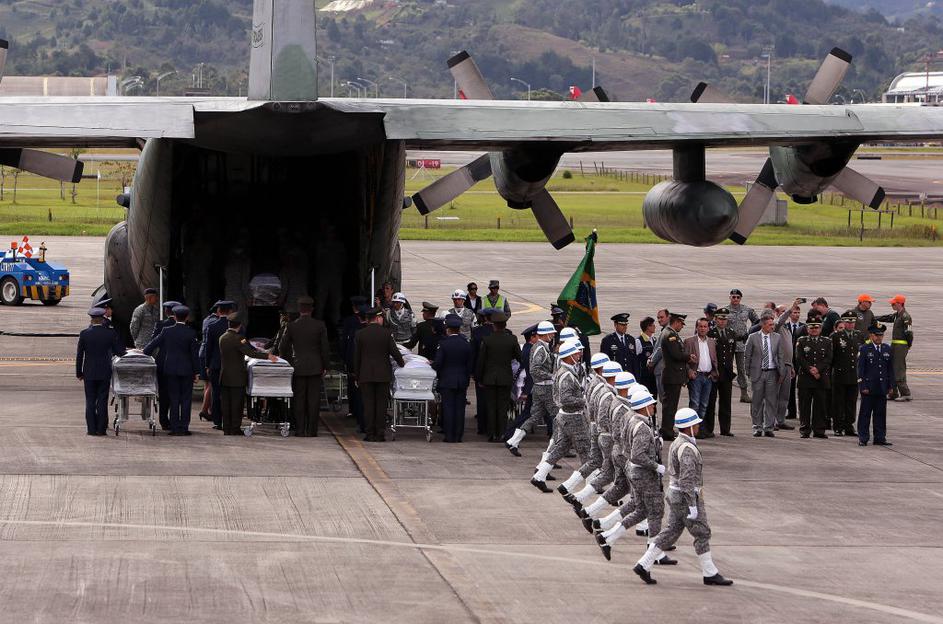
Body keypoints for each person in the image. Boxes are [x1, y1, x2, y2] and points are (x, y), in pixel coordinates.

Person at [633, 408, 733, 587]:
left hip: (676, 495)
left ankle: (643, 564)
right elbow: (687, 480)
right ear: (689, 427)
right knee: (702, 533)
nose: (698, 427)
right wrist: (692, 505)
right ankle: (710, 573)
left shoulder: (678, 442)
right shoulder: (687, 448)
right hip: (685, 497)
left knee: (671, 531)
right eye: (696, 424)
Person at [597, 388, 676, 565]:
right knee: (656, 511)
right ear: (643, 407)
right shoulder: (641, 427)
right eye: (650, 404)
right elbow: (638, 455)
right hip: (644, 474)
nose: (653, 406)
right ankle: (655, 552)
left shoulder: (633, 419)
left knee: (641, 510)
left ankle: (608, 537)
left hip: (636, 472)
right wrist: (656, 466)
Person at [531, 339, 587, 492]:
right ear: (568, 356)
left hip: (566, 416)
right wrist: (584, 400)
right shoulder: (566, 374)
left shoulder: (566, 371)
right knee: (586, 451)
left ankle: (539, 476)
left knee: (560, 449)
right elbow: (565, 398)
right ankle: (591, 484)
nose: (579, 355)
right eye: (576, 353)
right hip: (572, 417)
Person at [278, 295, 331, 437]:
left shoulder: (292, 326)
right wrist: (326, 365)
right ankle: (312, 430)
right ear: (312, 309)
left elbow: (282, 347)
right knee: (314, 400)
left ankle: (300, 430)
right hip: (315, 367)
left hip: (298, 367)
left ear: (299, 309)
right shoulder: (320, 325)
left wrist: (289, 362)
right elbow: (325, 348)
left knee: (299, 399)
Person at [143, 305, 199, 436]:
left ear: (174, 316)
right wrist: (197, 372)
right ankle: (184, 427)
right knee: (186, 399)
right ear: (187, 317)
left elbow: (150, 346)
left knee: (173, 398)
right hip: (186, 370)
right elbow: (194, 355)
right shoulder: (191, 333)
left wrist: (143, 352)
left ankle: (174, 427)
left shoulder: (166, 331)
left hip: (170, 369)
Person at [219, 313, 277, 435]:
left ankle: (227, 428)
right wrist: (267, 356)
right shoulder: (239, 339)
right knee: (237, 404)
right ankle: (235, 428)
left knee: (226, 404)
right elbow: (251, 353)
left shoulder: (222, 338)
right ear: (239, 325)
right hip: (237, 377)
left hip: (224, 376)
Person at [353, 307, 405, 442]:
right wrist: (402, 363)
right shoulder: (386, 334)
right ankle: (380, 433)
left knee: (368, 405)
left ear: (368, 319)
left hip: (365, 374)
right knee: (381, 405)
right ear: (377, 318)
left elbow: (357, 357)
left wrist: (357, 376)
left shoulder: (360, 334)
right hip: (383, 375)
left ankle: (369, 433)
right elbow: (395, 352)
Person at [506, 321, 557, 454]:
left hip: (540, 388)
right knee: (557, 418)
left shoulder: (541, 347)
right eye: (551, 333)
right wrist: (552, 376)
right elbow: (535, 370)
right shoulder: (540, 349)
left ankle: (513, 441)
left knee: (534, 417)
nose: (553, 335)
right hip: (544, 388)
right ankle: (553, 450)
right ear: (545, 334)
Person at [76, 306, 126, 436]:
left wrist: (79, 373)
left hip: (89, 372)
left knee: (90, 401)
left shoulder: (84, 334)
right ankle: (101, 429)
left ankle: (91, 429)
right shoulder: (110, 333)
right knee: (102, 401)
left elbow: (80, 355)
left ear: (91, 319)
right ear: (103, 319)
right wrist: (129, 351)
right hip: (104, 371)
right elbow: (119, 351)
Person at [475, 311, 521, 442]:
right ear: (505, 325)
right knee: (503, 407)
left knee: (491, 406)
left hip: (489, 378)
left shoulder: (487, 340)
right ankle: (501, 433)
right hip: (505, 378)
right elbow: (519, 357)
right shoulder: (512, 339)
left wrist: (479, 378)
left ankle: (492, 433)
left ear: (493, 325)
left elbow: (481, 361)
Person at [744, 311, 786, 437]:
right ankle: (757, 427)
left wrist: (782, 372)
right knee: (756, 401)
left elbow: (780, 356)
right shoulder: (753, 337)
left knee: (771, 401)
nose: (772, 327)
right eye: (769, 325)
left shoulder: (777, 337)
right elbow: (747, 355)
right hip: (758, 372)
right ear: (762, 325)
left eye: (773, 324)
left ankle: (768, 427)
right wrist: (748, 371)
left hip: (772, 373)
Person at [433, 314, 474, 443]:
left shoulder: (444, 344)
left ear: (448, 329)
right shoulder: (466, 344)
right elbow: (470, 364)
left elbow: (438, 363)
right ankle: (458, 435)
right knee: (460, 409)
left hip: (447, 380)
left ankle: (449, 435)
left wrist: (433, 366)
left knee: (448, 408)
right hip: (462, 380)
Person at [794, 317, 833, 439]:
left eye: (816, 327)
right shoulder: (802, 341)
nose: (814, 329)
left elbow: (828, 358)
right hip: (806, 378)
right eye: (811, 327)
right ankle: (805, 429)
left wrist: (818, 369)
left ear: (820, 329)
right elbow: (799, 358)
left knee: (820, 405)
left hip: (821, 378)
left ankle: (819, 430)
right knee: (804, 406)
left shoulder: (827, 341)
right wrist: (810, 370)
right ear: (807, 329)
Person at [857, 323, 894, 447]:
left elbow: (890, 370)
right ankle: (863, 437)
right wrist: (863, 386)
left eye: (881, 335)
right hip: (869, 387)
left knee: (880, 414)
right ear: (871, 336)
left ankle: (880, 437)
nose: (879, 337)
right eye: (876, 335)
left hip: (882, 387)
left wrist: (891, 386)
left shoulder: (887, 349)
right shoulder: (864, 349)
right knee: (865, 414)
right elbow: (860, 369)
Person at [831, 311, 865, 437]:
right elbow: (831, 356)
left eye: (853, 322)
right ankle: (838, 427)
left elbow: (862, 354)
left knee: (851, 402)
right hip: (840, 374)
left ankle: (849, 426)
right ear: (844, 322)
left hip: (854, 375)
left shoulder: (858, 335)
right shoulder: (836, 336)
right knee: (838, 402)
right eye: (848, 322)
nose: (851, 324)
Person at [202, 300, 234, 430]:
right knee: (229, 393)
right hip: (230, 365)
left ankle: (217, 421)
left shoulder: (212, 326)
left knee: (216, 393)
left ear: (219, 311)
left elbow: (208, 348)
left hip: (215, 365)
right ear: (230, 311)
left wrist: (207, 365)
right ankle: (229, 420)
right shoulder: (236, 326)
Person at [875, 295, 913, 401]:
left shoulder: (905, 316)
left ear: (900, 304)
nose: (892, 305)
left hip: (901, 345)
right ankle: (893, 393)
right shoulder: (897, 315)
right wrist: (874, 318)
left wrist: (908, 345)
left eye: (893, 304)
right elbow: (887, 318)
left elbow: (909, 333)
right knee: (891, 367)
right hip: (895, 345)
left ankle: (905, 393)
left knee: (898, 368)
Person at [705, 308, 735, 437]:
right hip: (714, 372)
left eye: (724, 319)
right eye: (720, 319)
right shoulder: (710, 333)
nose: (722, 322)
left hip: (727, 373)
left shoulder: (731, 333)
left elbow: (731, 353)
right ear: (716, 319)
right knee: (711, 401)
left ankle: (725, 428)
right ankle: (709, 428)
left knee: (726, 402)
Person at [658, 312, 688, 441]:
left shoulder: (670, 333)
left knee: (670, 405)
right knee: (670, 406)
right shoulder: (670, 335)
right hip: (672, 375)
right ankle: (667, 431)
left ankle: (668, 429)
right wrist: (689, 357)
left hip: (673, 375)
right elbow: (676, 354)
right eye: (681, 324)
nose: (682, 326)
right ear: (676, 322)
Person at [152, 300, 181, 430]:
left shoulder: (160, 325)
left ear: (166, 311)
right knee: (176, 392)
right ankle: (175, 420)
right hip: (179, 362)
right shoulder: (183, 326)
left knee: (163, 393)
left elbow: (153, 342)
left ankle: (164, 420)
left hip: (163, 362)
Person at [684, 318, 717, 428]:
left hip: (708, 377)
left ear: (708, 328)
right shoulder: (689, 341)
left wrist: (714, 372)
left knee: (704, 404)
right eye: (700, 326)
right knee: (695, 403)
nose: (703, 329)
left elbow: (714, 359)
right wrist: (689, 371)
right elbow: (683, 360)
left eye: (705, 326)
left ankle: (700, 429)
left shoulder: (711, 342)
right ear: (696, 328)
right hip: (696, 377)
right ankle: (691, 427)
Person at [341, 297, 368, 432]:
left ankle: (356, 413)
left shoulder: (350, 322)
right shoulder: (370, 326)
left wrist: (345, 360)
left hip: (354, 362)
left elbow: (345, 343)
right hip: (367, 365)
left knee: (355, 390)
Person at [727, 289, 758, 403]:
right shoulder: (725, 311)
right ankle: (726, 391)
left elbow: (757, 322)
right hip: (728, 344)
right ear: (730, 297)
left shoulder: (747, 310)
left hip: (741, 343)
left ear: (740, 298)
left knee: (741, 369)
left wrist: (749, 333)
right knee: (726, 368)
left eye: (738, 297)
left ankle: (744, 393)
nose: (735, 299)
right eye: (733, 297)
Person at [471, 308, 494, 435]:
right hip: (495, 372)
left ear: (485, 318)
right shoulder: (502, 332)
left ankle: (482, 427)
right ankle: (492, 426)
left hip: (481, 370)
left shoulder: (477, 332)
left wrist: (473, 372)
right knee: (493, 400)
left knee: (481, 400)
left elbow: (473, 353)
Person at [197, 300, 221, 422]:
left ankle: (210, 410)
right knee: (211, 384)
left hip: (203, 353)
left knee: (207, 384)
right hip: (209, 354)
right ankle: (204, 410)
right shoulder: (214, 322)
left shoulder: (207, 319)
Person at [782, 305, 806, 420]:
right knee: (790, 388)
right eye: (794, 312)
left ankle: (803, 412)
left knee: (802, 387)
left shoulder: (804, 327)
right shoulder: (785, 327)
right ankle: (791, 411)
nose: (796, 315)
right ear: (790, 314)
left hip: (800, 360)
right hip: (789, 360)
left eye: (798, 313)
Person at [600, 313, 639, 378]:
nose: (625, 327)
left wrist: (636, 378)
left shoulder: (631, 339)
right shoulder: (608, 340)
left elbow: (634, 361)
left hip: (629, 376)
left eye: (626, 324)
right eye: (622, 324)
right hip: (615, 377)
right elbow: (604, 362)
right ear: (615, 325)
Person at [647, 308, 670, 402]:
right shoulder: (665, 330)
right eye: (658, 318)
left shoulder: (666, 331)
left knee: (664, 400)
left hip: (662, 371)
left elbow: (660, 349)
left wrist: (651, 362)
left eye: (662, 317)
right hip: (662, 371)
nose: (659, 320)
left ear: (668, 317)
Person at [637, 317, 658, 396]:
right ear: (648, 327)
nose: (655, 326)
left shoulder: (654, 340)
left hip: (654, 376)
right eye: (653, 325)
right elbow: (635, 359)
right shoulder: (639, 341)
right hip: (644, 377)